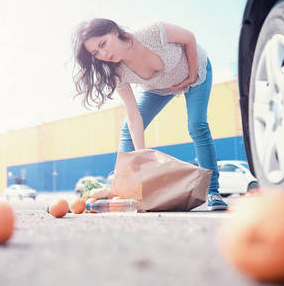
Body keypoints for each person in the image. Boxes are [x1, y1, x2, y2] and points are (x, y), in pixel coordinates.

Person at [72, 18, 227, 211]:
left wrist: (192, 75)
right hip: (159, 88)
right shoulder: (116, 72)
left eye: (103, 44)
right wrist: (142, 159)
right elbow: (133, 115)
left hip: (195, 72)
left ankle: (213, 191)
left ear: (113, 31)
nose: (104, 54)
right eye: (96, 53)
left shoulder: (151, 32)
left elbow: (189, 38)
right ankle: (120, 185)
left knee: (197, 125)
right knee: (128, 130)